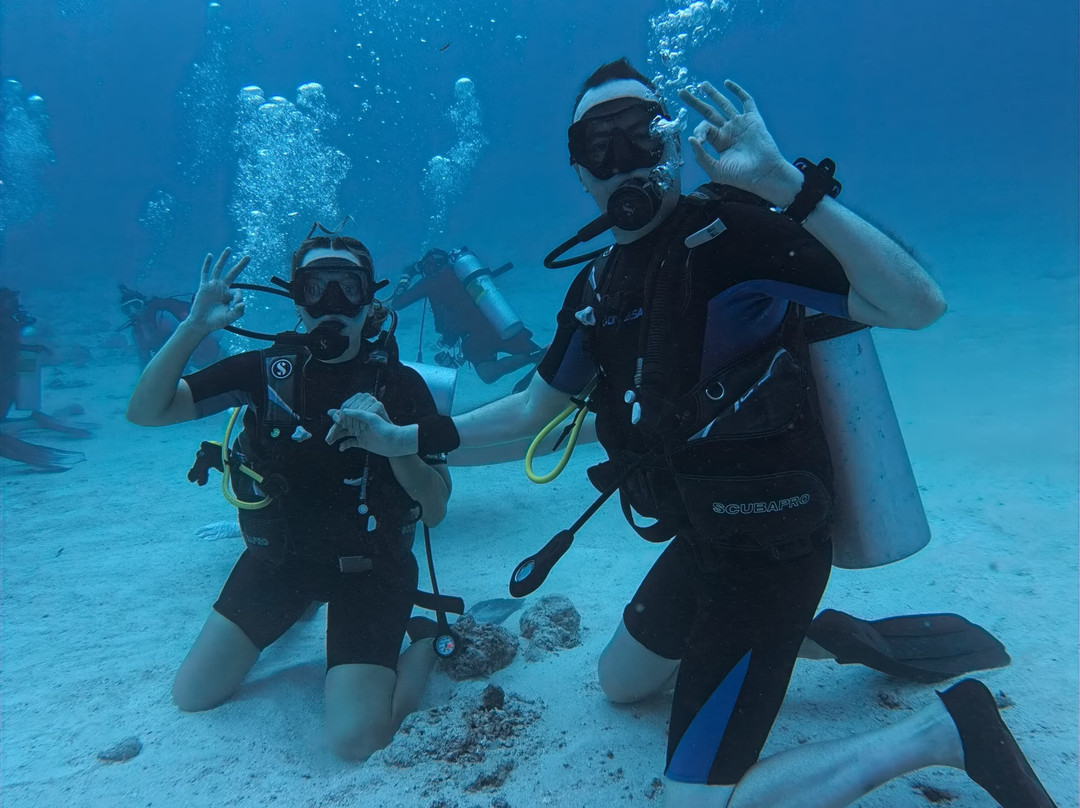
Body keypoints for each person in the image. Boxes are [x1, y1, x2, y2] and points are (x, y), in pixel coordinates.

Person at [325, 60, 1057, 806]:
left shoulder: (734, 234)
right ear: (579, 170)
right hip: (702, 542)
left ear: (670, 143)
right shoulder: (598, 285)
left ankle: (945, 730)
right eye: (598, 145)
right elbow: (529, 413)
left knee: (694, 801)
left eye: (639, 134)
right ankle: (802, 640)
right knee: (620, 685)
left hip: (772, 549)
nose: (621, 161)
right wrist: (404, 439)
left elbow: (917, 305)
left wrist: (788, 188)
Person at [126, 231, 451, 761]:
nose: (332, 305)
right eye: (314, 288)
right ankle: (301, 609)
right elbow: (146, 411)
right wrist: (192, 329)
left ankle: (424, 642)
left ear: (370, 300)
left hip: (370, 572)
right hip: (281, 563)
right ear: (295, 299)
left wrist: (393, 442)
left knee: (355, 741)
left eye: (347, 288)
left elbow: (435, 509)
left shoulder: (402, 386)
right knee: (193, 695)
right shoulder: (264, 373)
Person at [390, 247, 544, 383]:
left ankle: (533, 356)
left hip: (475, 338)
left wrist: (407, 276)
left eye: (426, 265)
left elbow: (397, 303)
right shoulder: (463, 275)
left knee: (488, 373)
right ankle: (537, 355)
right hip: (499, 320)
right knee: (536, 353)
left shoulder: (430, 282)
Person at [118, 283, 221, 369]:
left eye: (136, 306)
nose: (133, 312)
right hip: (189, 363)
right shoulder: (137, 333)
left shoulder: (162, 316)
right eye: (127, 309)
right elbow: (144, 360)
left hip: (207, 353)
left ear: (144, 304)